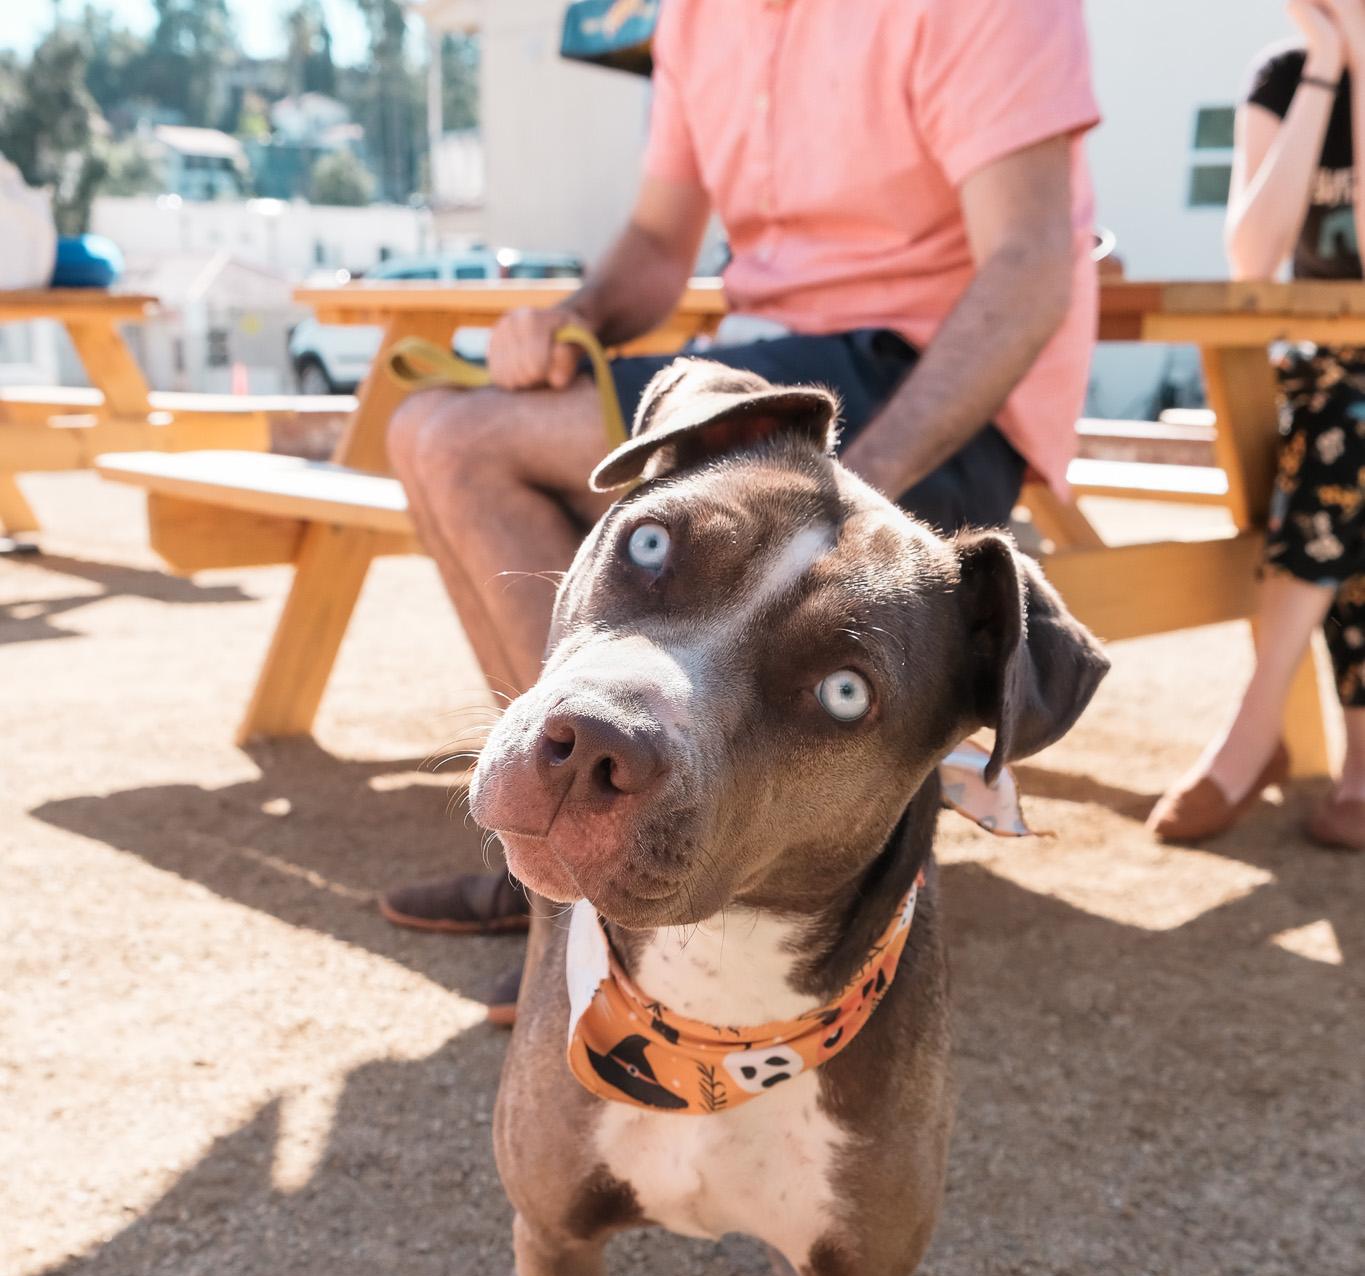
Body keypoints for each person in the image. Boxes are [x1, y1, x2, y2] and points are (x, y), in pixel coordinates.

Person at [383, 0, 1102, 1016]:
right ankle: (557, 833)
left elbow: (1031, 271)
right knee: (428, 429)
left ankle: (607, 880)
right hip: (767, 373)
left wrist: (854, 495)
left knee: (464, 440)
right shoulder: (697, 16)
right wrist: (570, 321)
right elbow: (654, 241)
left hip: (933, 385)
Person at [1150, 0, 1365, 850]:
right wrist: (1324, 64)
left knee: (1345, 425)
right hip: (1323, 384)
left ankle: (1251, 726)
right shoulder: (1282, 76)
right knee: (1345, 426)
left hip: (1336, 397)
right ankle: (1357, 765)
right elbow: (1251, 257)